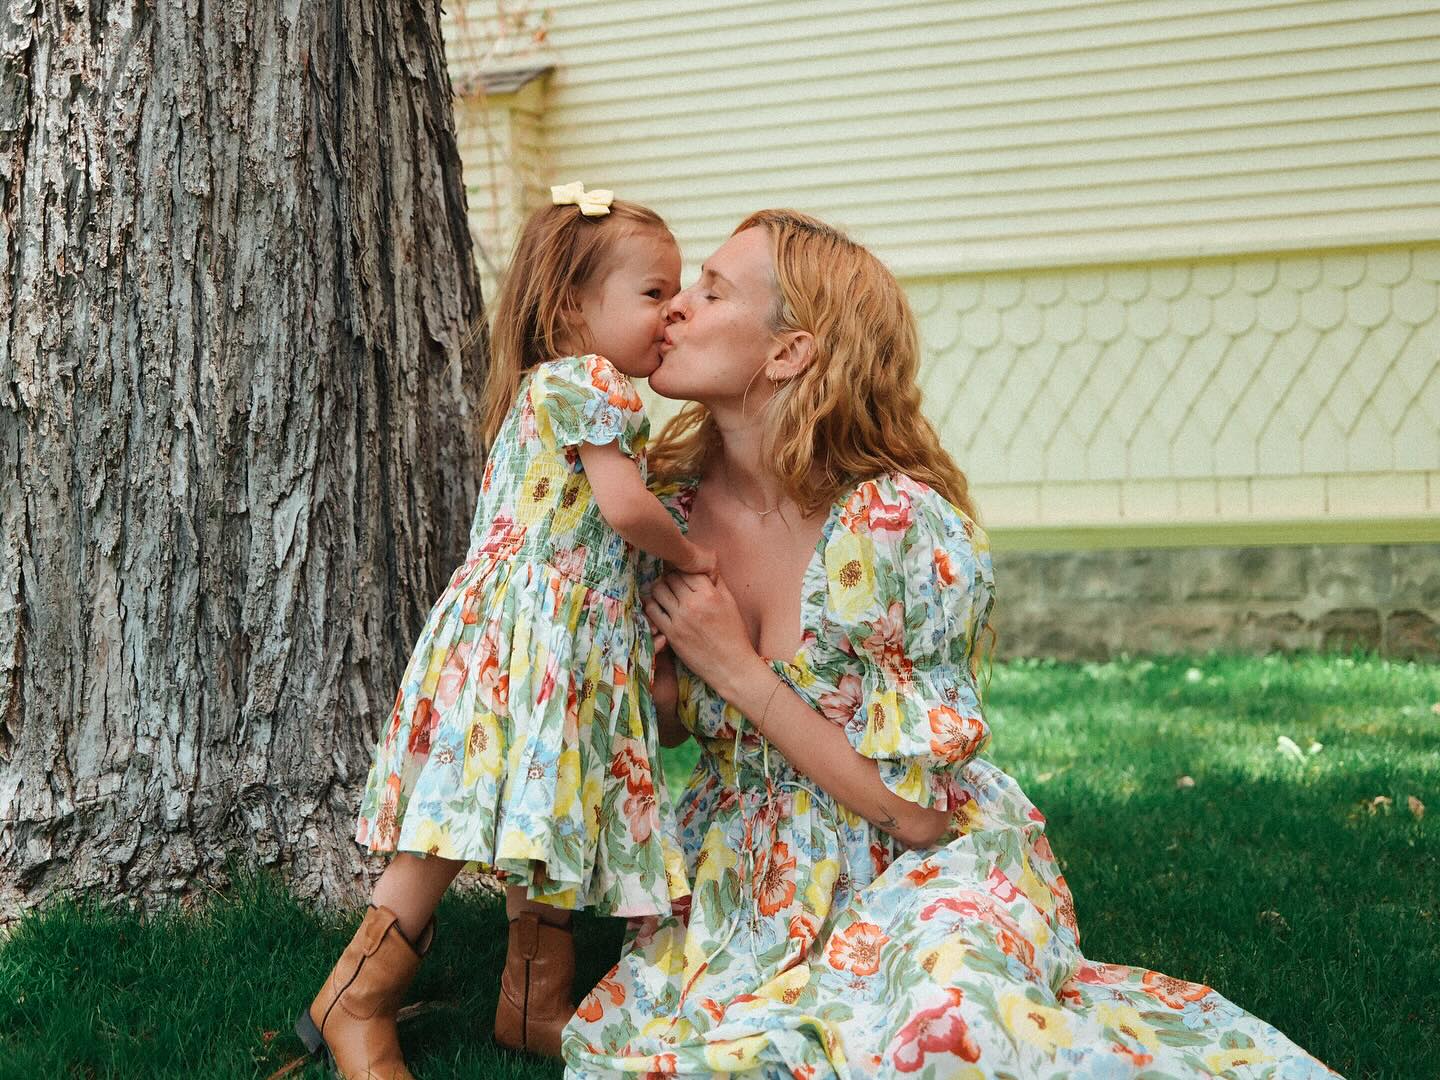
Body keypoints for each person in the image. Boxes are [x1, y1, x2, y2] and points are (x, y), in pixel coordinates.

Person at [561, 210, 1338, 1078]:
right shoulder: (654, 510)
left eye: (712, 291)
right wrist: (666, 690)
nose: (678, 310)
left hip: (917, 860)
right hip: (743, 872)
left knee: (944, 1029)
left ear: (789, 354)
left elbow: (918, 813)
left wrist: (738, 670)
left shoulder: (896, 529)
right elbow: (664, 729)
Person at [296, 183, 712, 1079]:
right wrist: (693, 560)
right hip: (527, 644)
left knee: (547, 814)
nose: (672, 309)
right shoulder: (585, 379)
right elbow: (625, 509)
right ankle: (353, 1001)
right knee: (451, 821)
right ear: (571, 308)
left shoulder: (556, 390)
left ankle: (532, 1006)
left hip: (553, 646)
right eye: (653, 292)